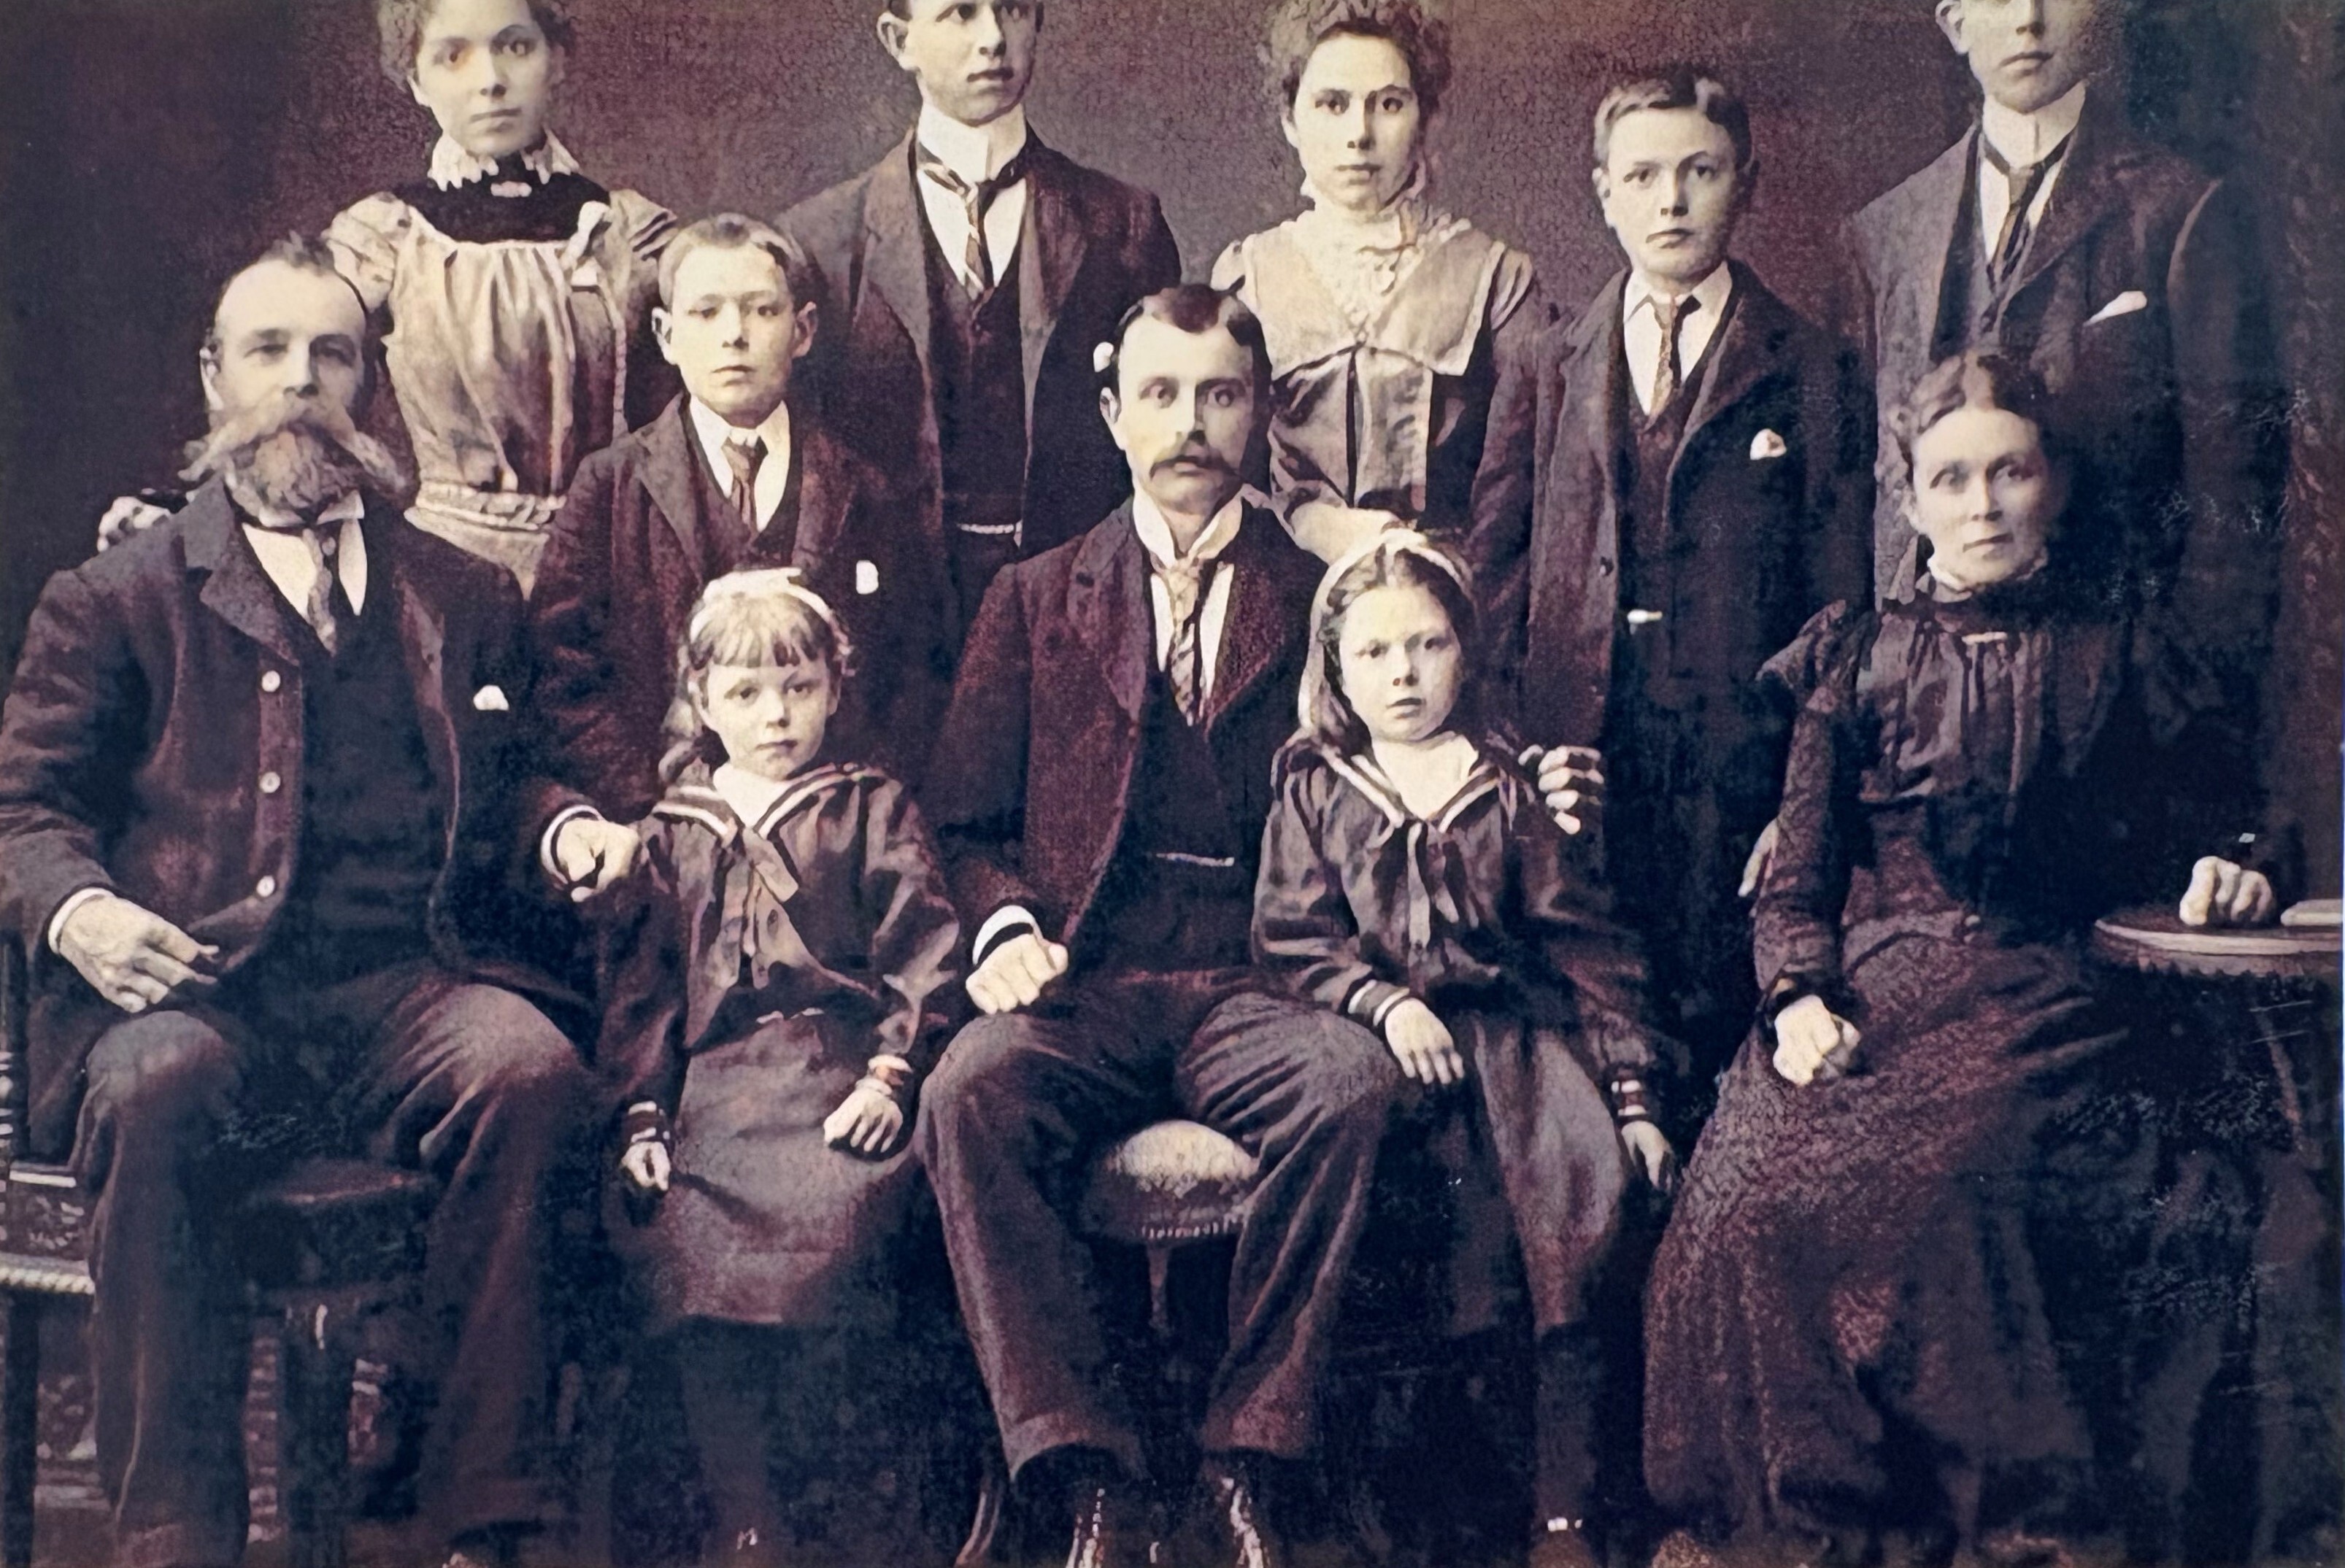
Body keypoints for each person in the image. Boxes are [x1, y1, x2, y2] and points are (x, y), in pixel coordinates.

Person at [0, 237, 593, 1568]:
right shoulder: (116, 595)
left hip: (398, 991)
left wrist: (565, 830)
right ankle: (173, 1536)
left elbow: (519, 784)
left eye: (330, 355)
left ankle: (479, 1515)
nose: (297, 383)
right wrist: (81, 911)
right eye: (265, 352)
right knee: (155, 1086)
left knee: (532, 1070)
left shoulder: (461, 592)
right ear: (214, 379)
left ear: (370, 384)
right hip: (198, 998)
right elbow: (21, 810)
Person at [1639, 350, 2275, 1565]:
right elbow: (1797, 873)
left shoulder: (2119, 647)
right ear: (1910, 496)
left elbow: (2219, 821)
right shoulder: (1859, 652)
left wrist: (2229, 864)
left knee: (1933, 1176)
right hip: (1871, 977)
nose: (1980, 503)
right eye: (1950, 477)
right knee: (1748, 1186)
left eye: (2009, 471)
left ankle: (1996, 1528)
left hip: (2044, 988)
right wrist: (1792, 997)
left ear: (2052, 485)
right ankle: (1789, 1530)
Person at [914, 285, 1405, 1568]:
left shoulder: (1320, 595)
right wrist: (1006, 924)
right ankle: (1087, 1466)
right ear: (1111, 411)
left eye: (1221, 394)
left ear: (1259, 410)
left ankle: (1252, 1450)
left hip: (1259, 973)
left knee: (1350, 1085)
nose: (1190, 423)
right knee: (969, 1089)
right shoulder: (1032, 595)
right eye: (1161, 393)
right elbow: (962, 820)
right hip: (1090, 972)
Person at [1252, 532, 1676, 1568]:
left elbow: (1584, 945)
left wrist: (1632, 1095)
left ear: (1464, 652)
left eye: (1428, 645)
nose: (1404, 674)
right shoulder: (1316, 788)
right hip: (1389, 1052)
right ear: (1336, 670)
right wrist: (1381, 1002)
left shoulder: (1509, 789)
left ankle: (1563, 1509)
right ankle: (1405, 1506)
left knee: (1575, 1212)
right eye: (1376, 652)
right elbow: (1289, 938)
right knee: (1420, 1249)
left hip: (1519, 1051)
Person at [1468, 67, 1872, 1111]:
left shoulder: (1811, 365)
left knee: (1714, 1030)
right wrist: (1514, 750)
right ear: (1602, 189)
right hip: (1580, 756)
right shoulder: (1547, 360)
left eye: (1700, 171)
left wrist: (1799, 798)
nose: (1671, 200)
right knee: (1597, 1032)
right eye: (1642, 175)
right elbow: (1498, 573)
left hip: (1735, 768)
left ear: (1747, 183)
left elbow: (1840, 605)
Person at [575, 570, 962, 1568]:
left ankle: (840, 1506)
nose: (775, 715)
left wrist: (890, 1074)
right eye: (745, 694)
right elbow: (648, 994)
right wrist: (644, 1117)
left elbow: (923, 952)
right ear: (701, 701)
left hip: (834, 1077)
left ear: (835, 688)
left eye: (796, 688)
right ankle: (748, 1513)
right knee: (681, 1234)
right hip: (713, 1092)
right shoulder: (674, 830)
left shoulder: (870, 807)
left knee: (837, 1227)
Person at [1841, 0, 2280, 673]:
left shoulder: (2180, 208)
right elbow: (1874, 481)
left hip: (2114, 675)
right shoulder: (1885, 230)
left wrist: (2191, 680)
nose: (2028, 19)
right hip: (1920, 685)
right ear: (1954, 25)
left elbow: (2229, 481)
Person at [777, 0, 1182, 645]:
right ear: (898, 40)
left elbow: (1168, 429)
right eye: (960, 14)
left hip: (1080, 608)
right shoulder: (822, 242)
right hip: (895, 626)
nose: (993, 38)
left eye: (1014, 9)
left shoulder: (1120, 222)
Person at [530, 214, 950, 824]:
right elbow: (562, 677)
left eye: (760, 310)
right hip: (665, 827)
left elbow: (915, 673)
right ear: (667, 335)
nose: (735, 335)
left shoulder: (865, 488)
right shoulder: (611, 487)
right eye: (706, 313)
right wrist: (656, 809)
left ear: (802, 330)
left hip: (832, 833)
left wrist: (851, 809)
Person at [1209, 0, 1548, 564]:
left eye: (1388, 104)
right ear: (1291, 121)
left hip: (1443, 601)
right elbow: (1217, 478)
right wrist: (1307, 523)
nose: (1359, 135)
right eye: (1332, 105)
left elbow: (1522, 490)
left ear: (1426, 118)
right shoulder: (1247, 276)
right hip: (1283, 592)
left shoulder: (1497, 280)